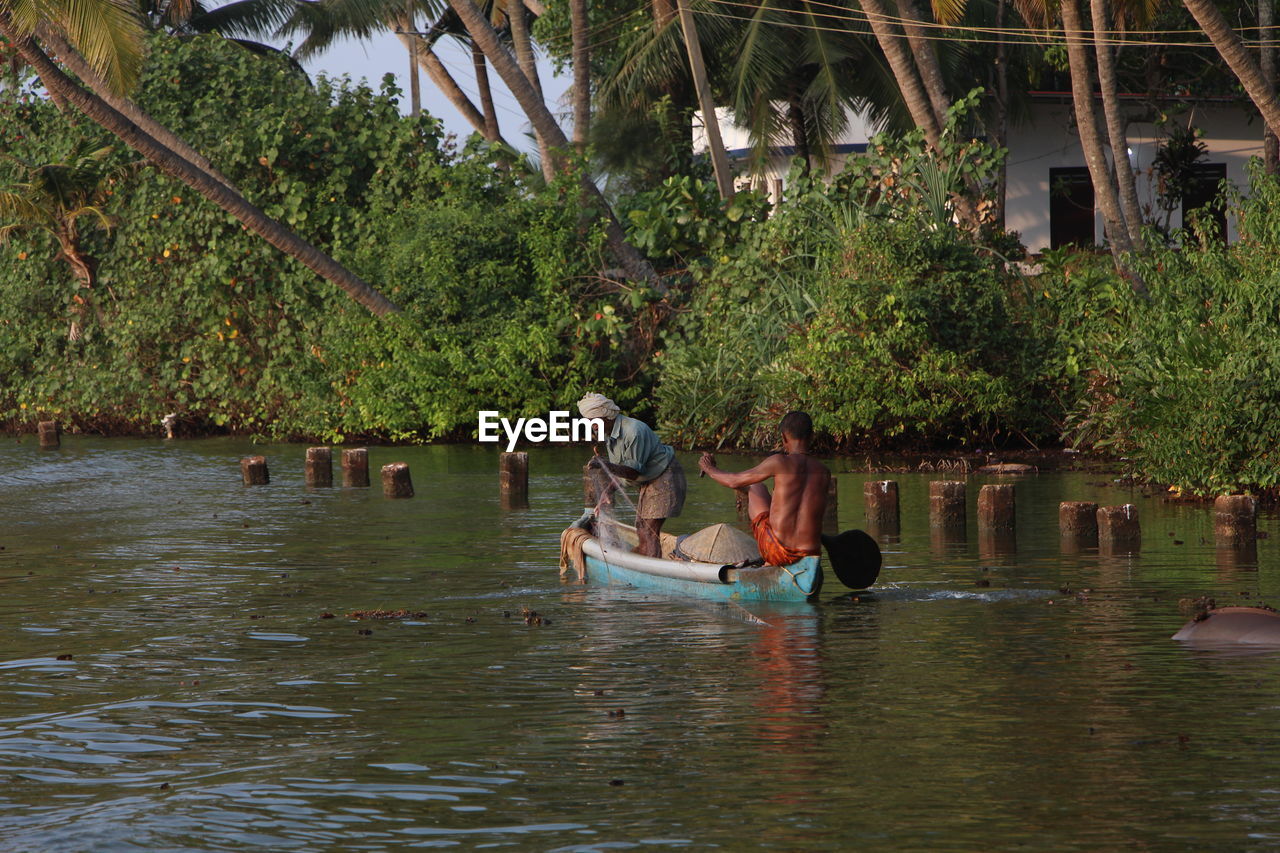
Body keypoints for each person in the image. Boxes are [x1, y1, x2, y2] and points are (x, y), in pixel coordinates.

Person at [698, 411, 829, 567]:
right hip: (811, 552)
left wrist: (709, 467)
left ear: (784, 437)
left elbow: (733, 481)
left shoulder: (779, 462)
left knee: (755, 485)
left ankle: (768, 563)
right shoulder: (824, 471)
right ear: (812, 436)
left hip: (776, 552)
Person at [578, 392, 687, 558]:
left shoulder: (633, 431)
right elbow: (622, 469)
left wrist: (605, 465)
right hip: (649, 479)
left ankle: (652, 571)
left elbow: (633, 472)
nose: (592, 425)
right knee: (642, 529)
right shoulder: (610, 435)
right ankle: (649, 560)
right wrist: (608, 491)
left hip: (665, 476)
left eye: (593, 421)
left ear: (606, 416)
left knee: (649, 532)